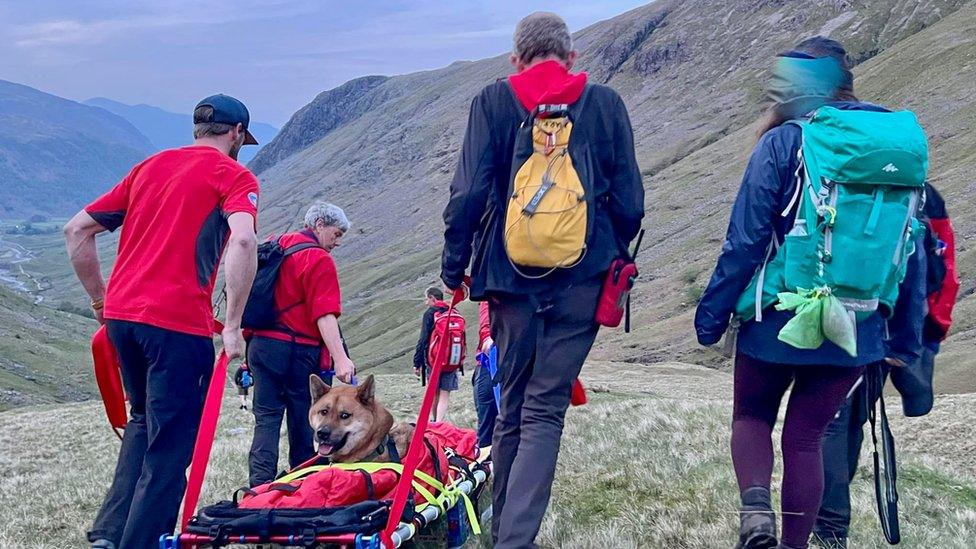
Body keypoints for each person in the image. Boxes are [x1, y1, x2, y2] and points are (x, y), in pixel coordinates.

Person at [694, 38, 927, 549]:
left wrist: (710, 320)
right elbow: (913, 250)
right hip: (857, 324)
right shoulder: (899, 149)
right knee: (807, 438)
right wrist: (903, 342)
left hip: (777, 316)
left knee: (752, 417)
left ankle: (756, 514)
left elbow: (746, 240)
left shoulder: (784, 142)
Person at [441, 12, 644, 547]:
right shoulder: (604, 104)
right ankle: (513, 538)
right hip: (584, 279)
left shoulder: (493, 100)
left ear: (516, 59)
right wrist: (610, 252)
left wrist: (453, 267)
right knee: (544, 406)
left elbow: (466, 195)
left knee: (512, 405)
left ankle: (503, 533)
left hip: (508, 282)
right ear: (571, 57)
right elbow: (630, 202)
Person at [64, 94, 260, 549]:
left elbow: (77, 230)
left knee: (141, 421)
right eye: (240, 140)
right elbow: (245, 242)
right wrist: (232, 326)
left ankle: (108, 535)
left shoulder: (148, 168)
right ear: (235, 134)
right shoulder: (233, 174)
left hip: (122, 321)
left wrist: (100, 301)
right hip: (177, 326)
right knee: (170, 445)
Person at [813, 183, 958, 549]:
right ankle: (830, 525)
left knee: (832, 422)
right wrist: (925, 335)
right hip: (891, 326)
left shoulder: (834, 178)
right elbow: (943, 271)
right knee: (852, 421)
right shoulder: (923, 193)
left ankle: (829, 531)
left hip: (836, 319)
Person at [246, 201, 355, 487]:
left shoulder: (275, 245)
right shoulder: (318, 259)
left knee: (266, 419)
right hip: (297, 352)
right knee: (303, 420)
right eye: (336, 233)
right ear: (319, 224)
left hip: (261, 347)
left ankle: (258, 489)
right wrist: (341, 359)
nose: (338, 241)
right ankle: (306, 484)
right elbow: (324, 315)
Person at [412, 286, 459, 422]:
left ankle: (434, 423)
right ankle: (439, 422)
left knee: (433, 392)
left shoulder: (430, 313)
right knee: (445, 394)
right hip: (452, 360)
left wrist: (417, 362)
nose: (426, 302)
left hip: (434, 360)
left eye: (427, 299)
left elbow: (423, 340)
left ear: (432, 298)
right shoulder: (453, 311)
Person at [473, 301, 498, 447]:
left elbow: (486, 317)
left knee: (486, 410)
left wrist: (488, 337)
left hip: (491, 361)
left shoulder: (492, 284)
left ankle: (485, 455)